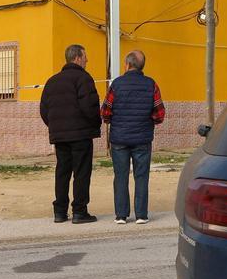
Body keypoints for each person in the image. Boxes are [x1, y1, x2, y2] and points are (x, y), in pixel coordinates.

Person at [101, 50, 165, 224]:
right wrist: (148, 121)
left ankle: (121, 215)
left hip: (119, 138)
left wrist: (112, 122)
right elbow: (159, 114)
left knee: (120, 176)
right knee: (142, 176)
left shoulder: (117, 84)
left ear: (127, 64)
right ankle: (141, 215)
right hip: (142, 138)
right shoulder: (151, 84)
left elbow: (105, 110)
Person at [39, 44, 101, 224]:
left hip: (60, 136)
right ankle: (79, 211)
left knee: (62, 172)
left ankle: (60, 212)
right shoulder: (83, 79)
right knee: (81, 173)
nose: (87, 60)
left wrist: (55, 126)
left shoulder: (52, 81)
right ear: (78, 58)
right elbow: (89, 107)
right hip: (81, 135)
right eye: (85, 56)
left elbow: (44, 109)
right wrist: (95, 125)